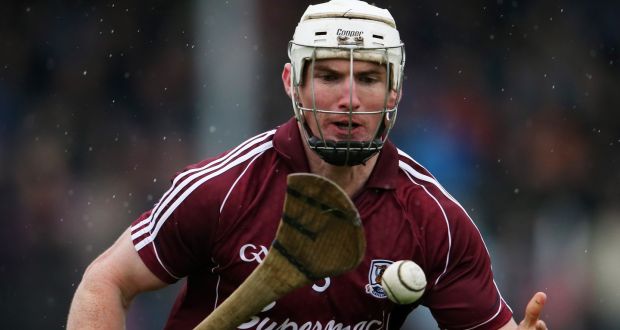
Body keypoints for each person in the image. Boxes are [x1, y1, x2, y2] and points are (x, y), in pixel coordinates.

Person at [67, 0, 548, 329]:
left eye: (369, 77)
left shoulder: (432, 219)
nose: (351, 98)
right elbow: (105, 281)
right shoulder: (223, 190)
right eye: (331, 76)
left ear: (396, 91)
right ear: (291, 84)